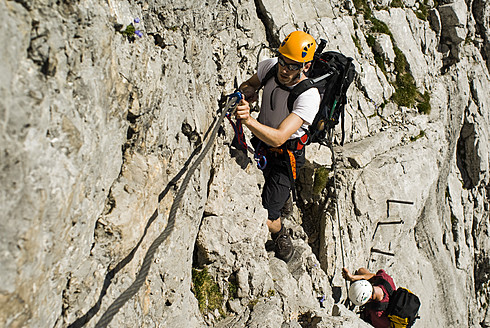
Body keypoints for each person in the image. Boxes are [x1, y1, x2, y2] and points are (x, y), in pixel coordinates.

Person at [235, 31, 320, 262]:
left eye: (292, 65)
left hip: (286, 156)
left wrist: (248, 121)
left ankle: (282, 237)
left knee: (269, 218)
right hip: (261, 141)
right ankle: (283, 199)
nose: (284, 69)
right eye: (282, 60)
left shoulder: (309, 96)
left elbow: (280, 137)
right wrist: (247, 92)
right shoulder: (270, 67)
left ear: (306, 66)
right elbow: (249, 84)